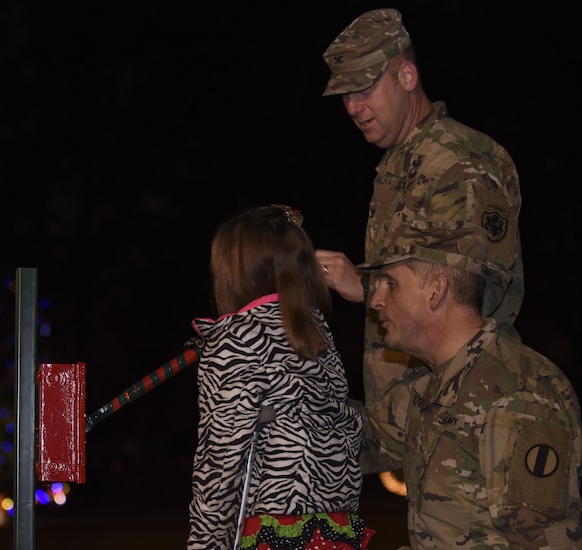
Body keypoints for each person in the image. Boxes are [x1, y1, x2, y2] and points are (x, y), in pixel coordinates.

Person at [314, 8, 524, 415]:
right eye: (345, 95)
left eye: (365, 89)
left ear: (407, 78)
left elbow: (475, 298)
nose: (353, 108)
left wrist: (366, 286)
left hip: (465, 413)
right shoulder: (399, 164)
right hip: (418, 415)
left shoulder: (459, 161)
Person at [352, 221, 582, 549]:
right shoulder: (428, 384)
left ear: (436, 290)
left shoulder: (517, 395)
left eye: (390, 283)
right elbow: (353, 440)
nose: (375, 299)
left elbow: (540, 543)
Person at [187, 204, 374, 549]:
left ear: (232, 273)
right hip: (334, 530)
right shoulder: (315, 330)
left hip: (275, 530)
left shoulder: (234, 339)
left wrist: (205, 543)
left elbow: (220, 461)